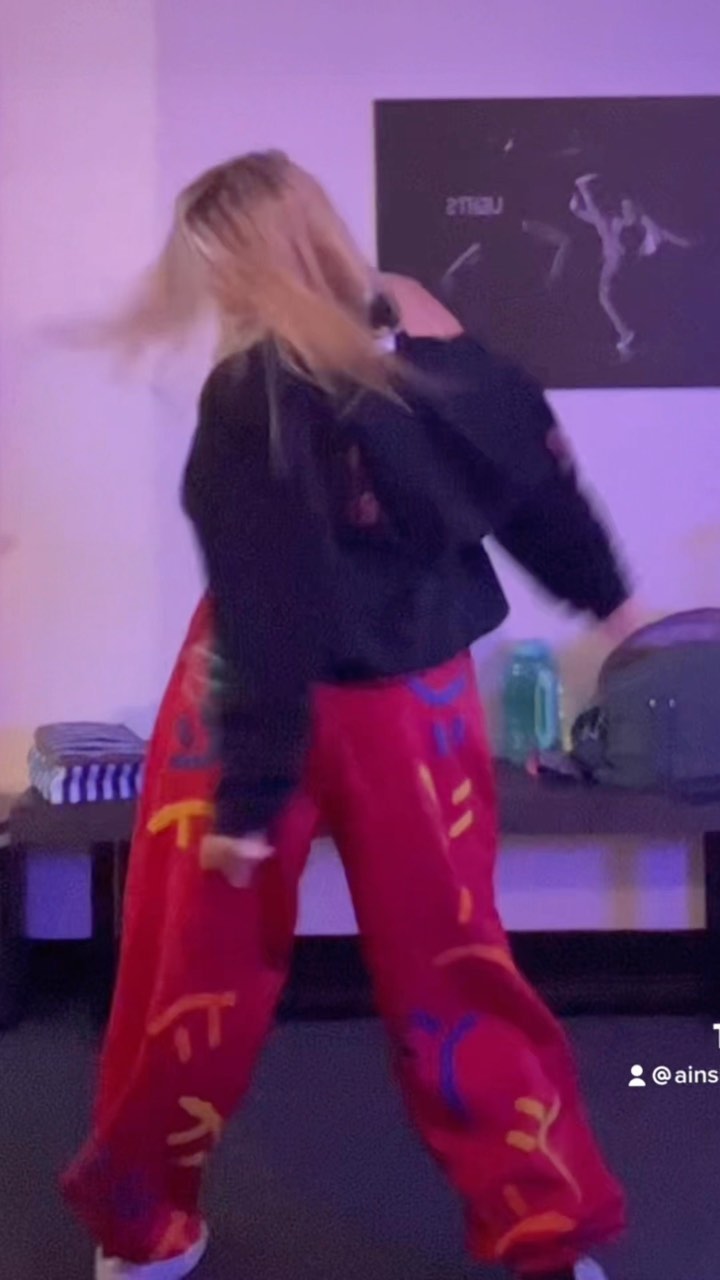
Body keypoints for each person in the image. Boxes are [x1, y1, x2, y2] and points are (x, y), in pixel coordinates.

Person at [62, 151, 636, 1280]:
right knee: (445, 962)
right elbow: (528, 477)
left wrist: (253, 793)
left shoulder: (263, 386)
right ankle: (544, 1233)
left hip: (292, 694)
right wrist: (610, 597)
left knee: (200, 972)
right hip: (383, 688)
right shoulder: (422, 326)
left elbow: (277, 597)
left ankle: (145, 1226)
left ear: (231, 260)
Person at [570, 173, 693, 357]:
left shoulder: (638, 222)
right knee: (604, 295)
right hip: (619, 253)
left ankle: (625, 333)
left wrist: (687, 244)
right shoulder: (617, 221)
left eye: (628, 206)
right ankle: (624, 332)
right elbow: (595, 218)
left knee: (604, 293)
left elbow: (664, 234)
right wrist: (576, 210)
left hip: (620, 254)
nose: (625, 208)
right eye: (624, 206)